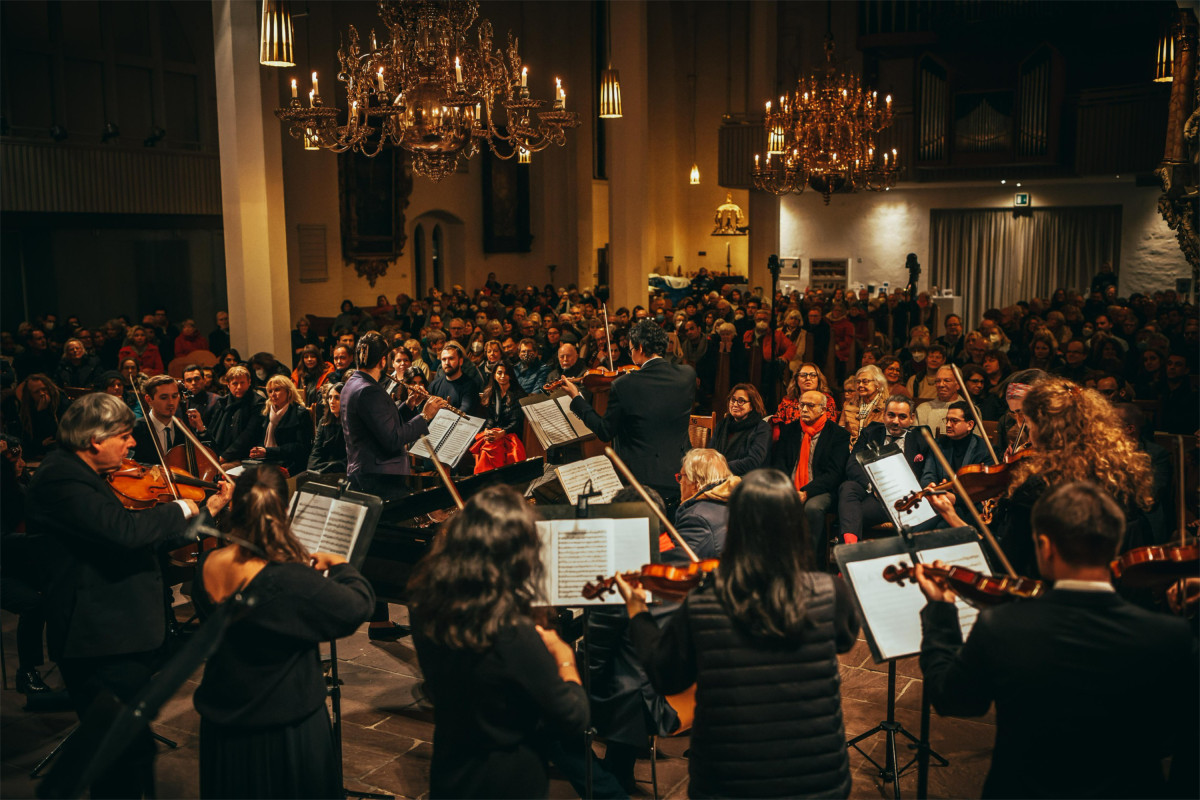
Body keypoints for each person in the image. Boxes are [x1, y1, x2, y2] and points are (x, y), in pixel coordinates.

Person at [915, 482, 1197, 800]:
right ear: (1116, 543)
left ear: (1046, 547)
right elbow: (1174, 735)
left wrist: (941, 609)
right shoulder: (1170, 636)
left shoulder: (1004, 625)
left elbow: (954, 698)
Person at [28, 392, 232, 798]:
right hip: (99, 641)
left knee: (130, 757)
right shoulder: (60, 477)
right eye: (124, 435)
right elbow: (125, 532)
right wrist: (184, 508)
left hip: (118, 636)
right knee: (120, 761)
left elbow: (145, 538)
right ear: (95, 440)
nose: (133, 443)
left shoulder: (84, 474)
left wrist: (207, 507)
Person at [614, 469, 859, 798]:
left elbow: (666, 676)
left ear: (737, 526)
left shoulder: (706, 600)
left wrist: (637, 612)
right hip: (819, 780)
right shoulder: (831, 593)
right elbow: (844, 640)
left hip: (728, 780)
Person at [193, 465, 373, 799]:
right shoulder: (289, 580)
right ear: (286, 512)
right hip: (283, 729)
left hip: (224, 723)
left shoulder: (208, 564)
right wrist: (341, 567)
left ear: (236, 506)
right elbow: (357, 607)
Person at [409, 486, 589, 798]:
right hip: (505, 777)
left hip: (451, 766)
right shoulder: (512, 633)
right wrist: (563, 657)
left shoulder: (425, 604)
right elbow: (573, 717)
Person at [930, 377, 1154, 577]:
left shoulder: (1039, 488)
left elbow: (1003, 563)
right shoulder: (1119, 474)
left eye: (1028, 423)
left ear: (1046, 429)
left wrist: (952, 517)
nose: (1026, 431)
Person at [562, 320, 697, 509]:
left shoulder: (625, 385)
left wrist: (577, 398)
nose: (630, 354)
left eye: (631, 349)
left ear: (640, 348)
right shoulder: (687, 375)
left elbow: (604, 431)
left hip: (642, 483)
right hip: (682, 474)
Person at [341, 331, 447, 499]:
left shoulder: (353, 383)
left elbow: (378, 424)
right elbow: (393, 439)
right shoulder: (369, 390)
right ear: (383, 361)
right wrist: (425, 416)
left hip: (366, 471)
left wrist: (408, 406)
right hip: (380, 478)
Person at [838, 395, 933, 544]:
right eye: (891, 415)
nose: (895, 421)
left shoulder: (921, 437)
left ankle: (847, 548)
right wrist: (874, 486)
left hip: (900, 498)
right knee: (848, 486)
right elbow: (852, 465)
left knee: (851, 515)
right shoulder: (871, 432)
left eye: (902, 416)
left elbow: (927, 474)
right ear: (884, 415)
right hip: (871, 490)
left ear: (911, 418)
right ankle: (850, 548)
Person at [773, 389, 851, 562]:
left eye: (810, 405)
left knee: (812, 508)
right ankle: (775, 562)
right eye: (801, 405)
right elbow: (779, 464)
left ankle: (812, 562)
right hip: (790, 486)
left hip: (821, 490)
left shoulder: (838, 435)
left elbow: (834, 474)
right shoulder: (790, 430)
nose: (804, 409)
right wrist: (785, 488)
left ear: (823, 409)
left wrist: (806, 492)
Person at [667, 448, 739, 565]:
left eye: (681, 476)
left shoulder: (696, 518)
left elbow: (676, 563)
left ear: (695, 483)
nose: (680, 482)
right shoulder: (734, 504)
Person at [195, 365, 264, 463]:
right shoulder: (222, 402)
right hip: (220, 453)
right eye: (235, 383)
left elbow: (248, 435)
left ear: (249, 382)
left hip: (245, 456)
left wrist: (224, 457)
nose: (239, 387)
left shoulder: (258, 403)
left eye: (242, 383)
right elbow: (212, 430)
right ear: (228, 385)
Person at [249, 375, 313, 476]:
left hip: (291, 463)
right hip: (268, 460)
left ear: (289, 392)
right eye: (270, 391)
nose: (273, 395)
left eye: (277, 390)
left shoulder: (300, 413)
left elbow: (301, 447)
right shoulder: (267, 411)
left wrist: (268, 451)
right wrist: (258, 451)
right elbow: (261, 439)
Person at [471, 362, 528, 473]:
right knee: (486, 440)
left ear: (511, 375)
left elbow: (516, 422)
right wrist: (487, 430)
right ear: (494, 375)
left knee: (491, 446)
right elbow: (491, 418)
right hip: (496, 431)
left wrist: (502, 433)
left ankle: (492, 476)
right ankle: (486, 478)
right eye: (499, 373)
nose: (502, 376)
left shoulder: (518, 394)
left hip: (511, 433)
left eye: (506, 373)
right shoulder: (491, 392)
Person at [710, 383, 771, 476]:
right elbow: (710, 453)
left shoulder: (762, 428)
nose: (735, 404)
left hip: (747, 480)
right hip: (717, 476)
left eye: (741, 401)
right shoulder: (722, 425)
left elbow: (753, 461)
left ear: (752, 406)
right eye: (733, 399)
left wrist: (721, 467)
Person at [131, 374, 184, 464]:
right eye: (164, 398)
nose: (171, 402)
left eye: (174, 396)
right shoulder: (135, 429)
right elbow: (127, 463)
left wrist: (201, 430)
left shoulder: (183, 428)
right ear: (148, 399)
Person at [427, 342, 484, 418]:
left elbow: (464, 413)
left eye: (451, 358)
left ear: (460, 361)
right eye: (444, 359)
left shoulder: (470, 385)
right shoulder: (434, 385)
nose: (447, 363)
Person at [839, 364, 888, 446]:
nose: (860, 385)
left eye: (865, 382)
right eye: (858, 382)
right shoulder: (848, 404)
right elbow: (840, 431)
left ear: (878, 384)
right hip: (851, 450)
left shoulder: (886, 405)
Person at [308, 382, 348, 474]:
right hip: (323, 466)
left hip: (341, 469)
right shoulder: (324, 421)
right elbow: (316, 450)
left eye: (337, 398)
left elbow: (350, 457)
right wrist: (311, 468)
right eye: (330, 397)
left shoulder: (351, 422)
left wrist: (327, 468)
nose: (332, 401)